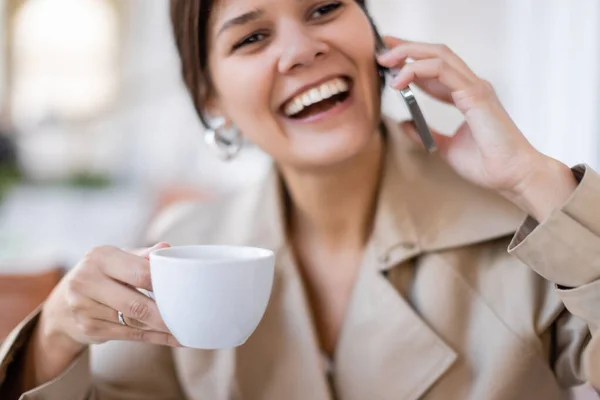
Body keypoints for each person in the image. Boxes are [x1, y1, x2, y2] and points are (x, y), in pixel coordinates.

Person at [1, 0, 599, 398]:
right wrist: (53, 334)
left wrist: (532, 179)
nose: (302, 49)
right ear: (210, 99)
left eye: (323, 8)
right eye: (254, 36)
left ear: (375, 41)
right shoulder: (181, 246)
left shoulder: (535, 228)